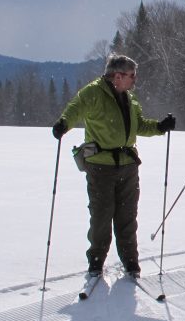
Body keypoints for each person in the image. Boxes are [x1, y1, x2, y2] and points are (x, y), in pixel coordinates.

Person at [52, 54, 175, 279]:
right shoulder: (93, 93)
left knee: (127, 216)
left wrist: (160, 126)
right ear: (117, 76)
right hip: (101, 167)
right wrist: (63, 123)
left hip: (128, 165)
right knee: (101, 214)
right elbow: (75, 108)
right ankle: (96, 262)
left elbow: (139, 126)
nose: (134, 80)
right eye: (131, 75)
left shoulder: (129, 98)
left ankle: (130, 262)